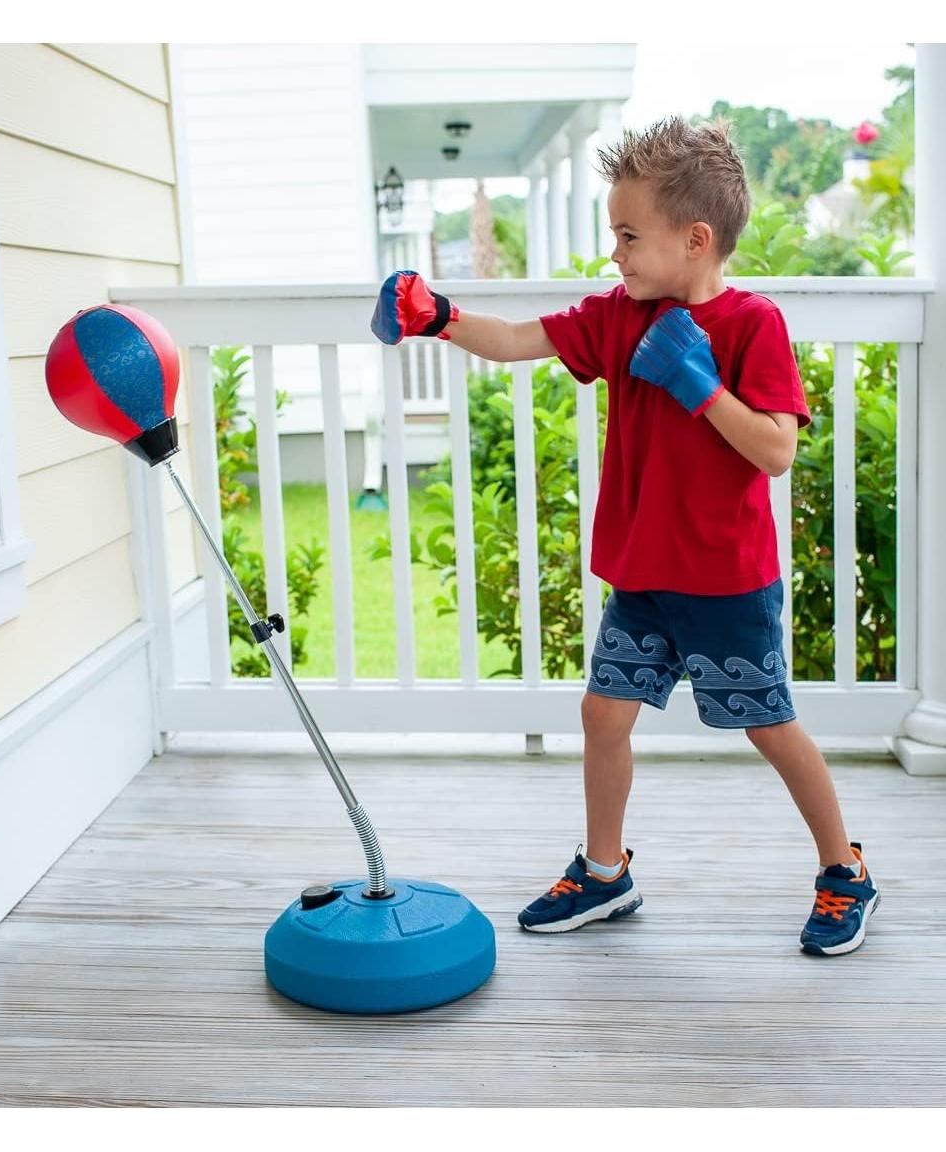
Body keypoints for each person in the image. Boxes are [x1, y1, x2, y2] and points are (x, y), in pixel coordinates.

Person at [369, 116, 880, 957]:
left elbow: (777, 449)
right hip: (644, 579)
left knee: (770, 726)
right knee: (603, 715)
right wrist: (440, 315)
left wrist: (697, 383)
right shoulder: (619, 314)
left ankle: (844, 871)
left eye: (629, 236)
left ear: (695, 239)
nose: (616, 253)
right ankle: (605, 873)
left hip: (726, 583)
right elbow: (518, 341)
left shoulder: (753, 325)